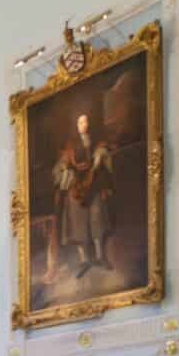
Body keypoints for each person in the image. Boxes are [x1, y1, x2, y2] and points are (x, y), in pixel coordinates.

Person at [53, 112, 116, 278]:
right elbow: (63, 164)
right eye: (81, 121)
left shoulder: (96, 141)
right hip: (76, 189)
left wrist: (99, 157)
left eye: (86, 121)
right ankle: (84, 260)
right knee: (79, 226)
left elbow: (103, 154)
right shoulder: (70, 145)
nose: (84, 124)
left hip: (93, 184)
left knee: (97, 221)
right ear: (76, 125)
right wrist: (67, 171)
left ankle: (101, 256)